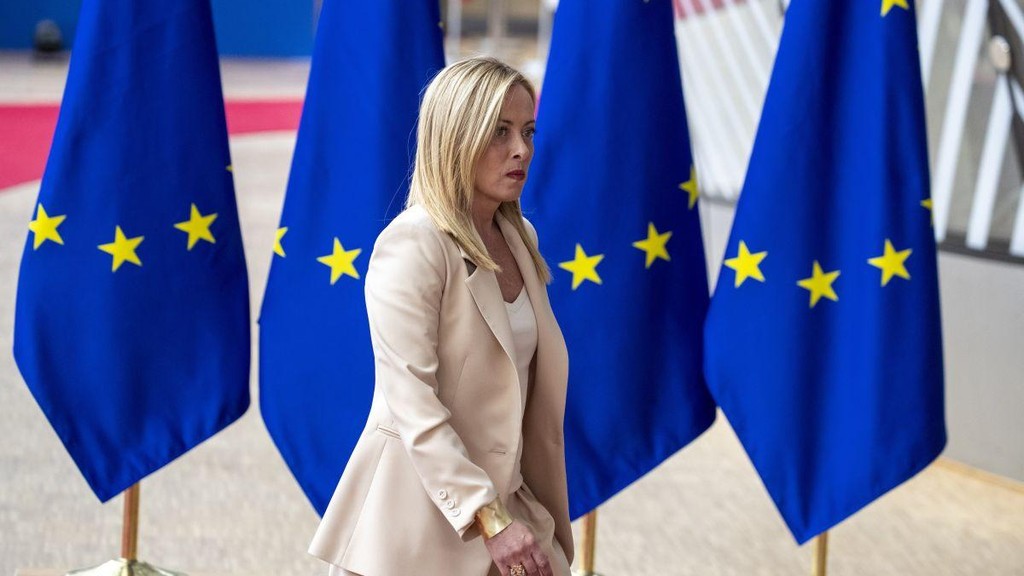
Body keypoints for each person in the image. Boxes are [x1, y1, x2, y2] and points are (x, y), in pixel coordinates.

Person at [308, 57, 573, 576]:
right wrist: (489, 518)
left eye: (527, 131)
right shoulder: (413, 244)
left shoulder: (522, 239)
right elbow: (413, 403)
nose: (521, 150)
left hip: (513, 511)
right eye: (499, 131)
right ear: (455, 136)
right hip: (417, 530)